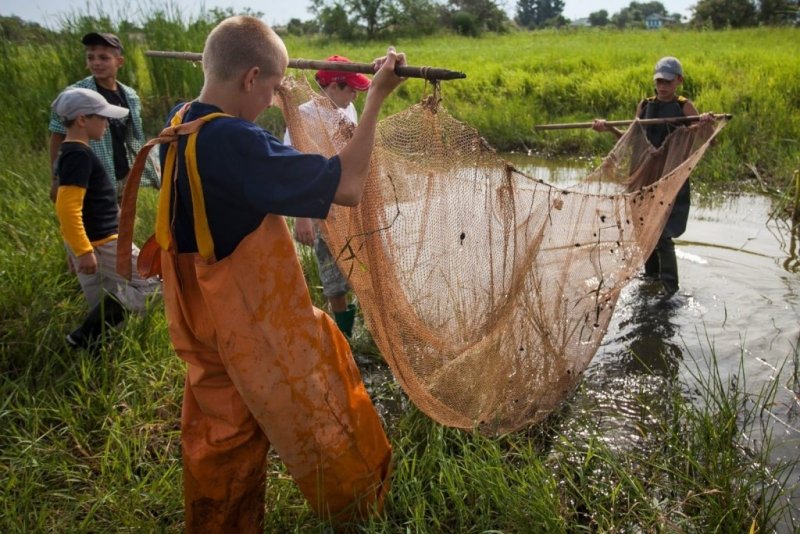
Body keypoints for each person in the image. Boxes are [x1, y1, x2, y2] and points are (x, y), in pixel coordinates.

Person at [152, 16, 405, 530]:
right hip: (253, 325)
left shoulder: (180, 123)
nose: (273, 101)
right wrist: (376, 96)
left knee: (221, 439)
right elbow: (349, 185)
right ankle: (363, 512)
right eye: (270, 88)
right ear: (249, 78)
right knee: (328, 410)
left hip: (198, 318)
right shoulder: (235, 141)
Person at [592, 56, 713, 297]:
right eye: (659, 81)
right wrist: (608, 128)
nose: (662, 86)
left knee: (663, 233)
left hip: (670, 178)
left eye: (668, 81)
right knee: (643, 230)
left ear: (679, 80)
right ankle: (650, 279)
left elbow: (709, 139)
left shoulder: (683, 106)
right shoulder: (645, 105)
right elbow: (630, 140)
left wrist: (706, 123)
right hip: (644, 177)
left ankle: (670, 291)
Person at [51, 87, 161, 348]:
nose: (106, 122)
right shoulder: (79, 155)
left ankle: (92, 347)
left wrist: (76, 247)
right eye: (101, 117)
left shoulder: (68, 154)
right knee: (155, 284)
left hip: (89, 243)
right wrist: (82, 250)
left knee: (101, 301)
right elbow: (67, 208)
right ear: (81, 120)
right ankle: (83, 336)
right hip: (104, 241)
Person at [284, 55, 370, 338]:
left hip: (350, 204)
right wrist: (302, 218)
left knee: (361, 268)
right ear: (333, 85)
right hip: (321, 208)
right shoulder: (303, 116)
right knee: (333, 276)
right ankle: (345, 339)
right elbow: (294, 170)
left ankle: (359, 329)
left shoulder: (349, 110)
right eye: (350, 88)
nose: (355, 95)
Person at [48, 32, 160, 203]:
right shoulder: (75, 95)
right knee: (94, 224)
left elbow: (133, 138)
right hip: (89, 178)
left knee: (120, 224)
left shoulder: (130, 96)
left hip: (121, 175)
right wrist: (56, 178)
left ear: (119, 62)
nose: (96, 63)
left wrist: (137, 170)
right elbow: (57, 136)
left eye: (103, 58)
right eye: (91, 58)